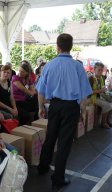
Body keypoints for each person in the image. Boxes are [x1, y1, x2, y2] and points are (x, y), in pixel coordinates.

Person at [36, 33, 92, 191]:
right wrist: (82, 111)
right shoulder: (78, 67)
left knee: (50, 137)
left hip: (54, 106)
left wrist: (40, 108)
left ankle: (42, 166)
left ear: (57, 46)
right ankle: (58, 178)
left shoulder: (49, 65)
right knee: (64, 143)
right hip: (71, 108)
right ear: (71, 46)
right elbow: (84, 94)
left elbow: (40, 90)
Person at [89, 62, 112, 129]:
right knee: (107, 105)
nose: (100, 71)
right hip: (92, 98)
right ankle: (103, 123)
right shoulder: (91, 78)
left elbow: (102, 88)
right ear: (94, 69)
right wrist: (100, 91)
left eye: (101, 70)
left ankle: (107, 120)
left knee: (111, 103)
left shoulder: (101, 78)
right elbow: (88, 92)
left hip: (99, 96)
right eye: (99, 70)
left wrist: (105, 90)